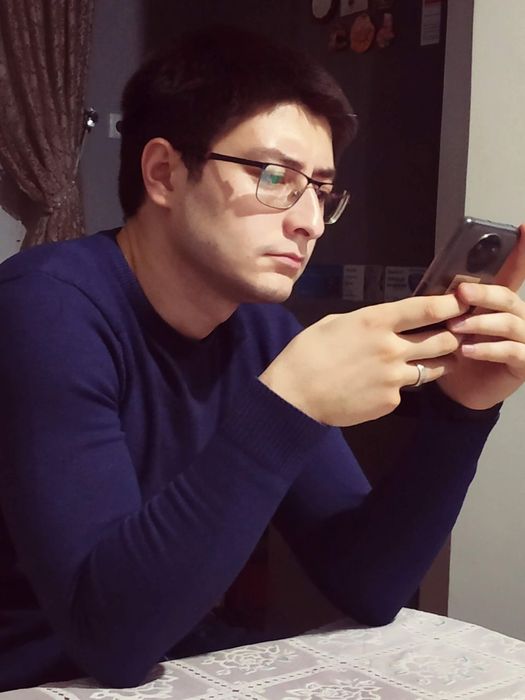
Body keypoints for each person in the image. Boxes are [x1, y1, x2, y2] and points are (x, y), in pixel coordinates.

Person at [1, 26, 525, 692]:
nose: (309, 220)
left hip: (174, 664)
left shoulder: (260, 331)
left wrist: (460, 411)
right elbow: (109, 639)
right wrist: (285, 409)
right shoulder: (42, 310)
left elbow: (367, 583)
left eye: (321, 190)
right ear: (163, 173)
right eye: (275, 176)